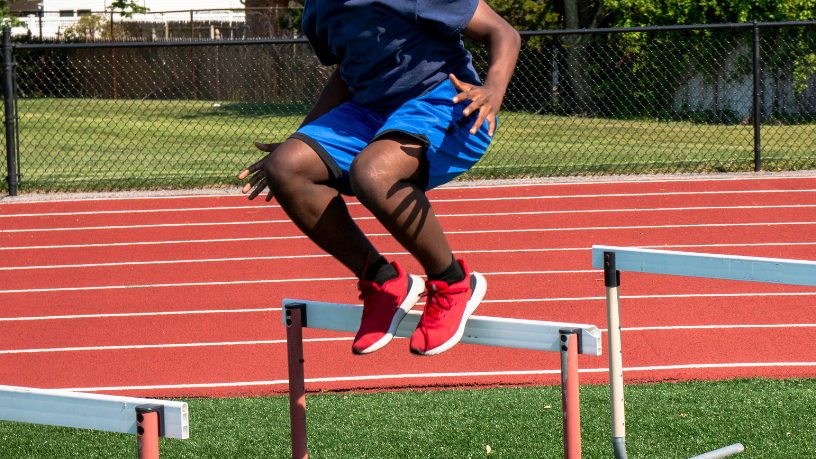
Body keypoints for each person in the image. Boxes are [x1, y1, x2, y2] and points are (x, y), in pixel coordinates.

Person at [239, 0, 520, 356]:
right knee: (285, 167)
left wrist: (494, 88)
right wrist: (302, 138)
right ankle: (384, 281)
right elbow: (348, 71)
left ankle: (452, 282)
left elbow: (503, 31)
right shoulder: (318, 9)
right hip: (370, 110)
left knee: (371, 174)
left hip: (446, 101)